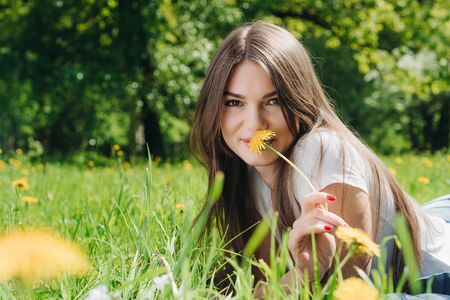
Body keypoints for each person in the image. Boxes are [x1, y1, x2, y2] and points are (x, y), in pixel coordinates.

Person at [190, 21, 450, 293]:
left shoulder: (322, 150)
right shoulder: (247, 170)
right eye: (234, 102)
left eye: (273, 101)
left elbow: (345, 290)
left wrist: (303, 274)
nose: (254, 124)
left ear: (298, 98)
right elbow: (262, 286)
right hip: (434, 217)